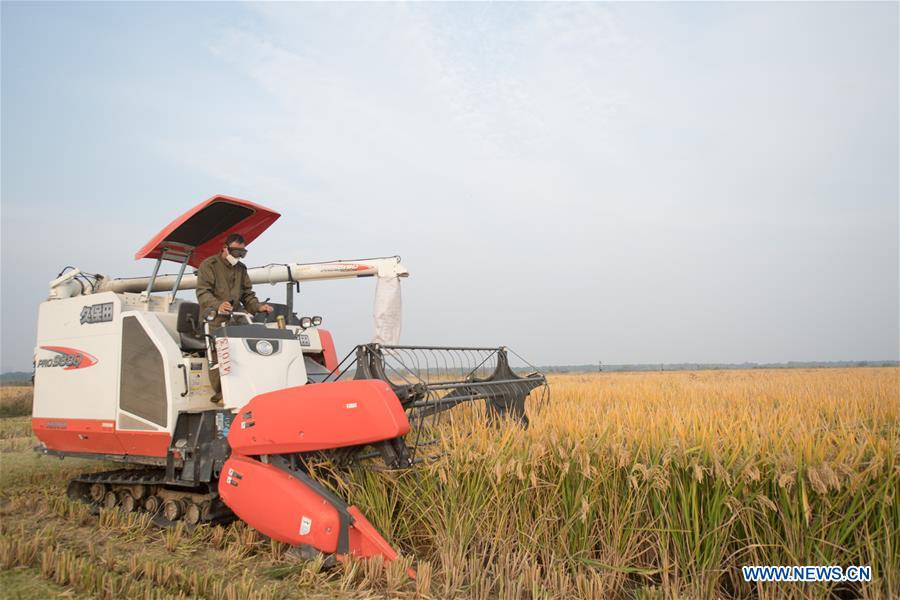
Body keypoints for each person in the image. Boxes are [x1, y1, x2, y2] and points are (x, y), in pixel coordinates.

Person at [196, 233, 273, 402]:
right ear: (225, 248)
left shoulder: (241, 269)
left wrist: (258, 306)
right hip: (214, 319)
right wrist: (218, 305)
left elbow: (247, 295)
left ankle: (249, 389)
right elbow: (203, 292)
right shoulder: (209, 265)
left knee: (245, 351)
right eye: (236, 252)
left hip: (236, 318)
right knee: (220, 354)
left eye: (242, 253)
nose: (238, 256)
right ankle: (222, 394)